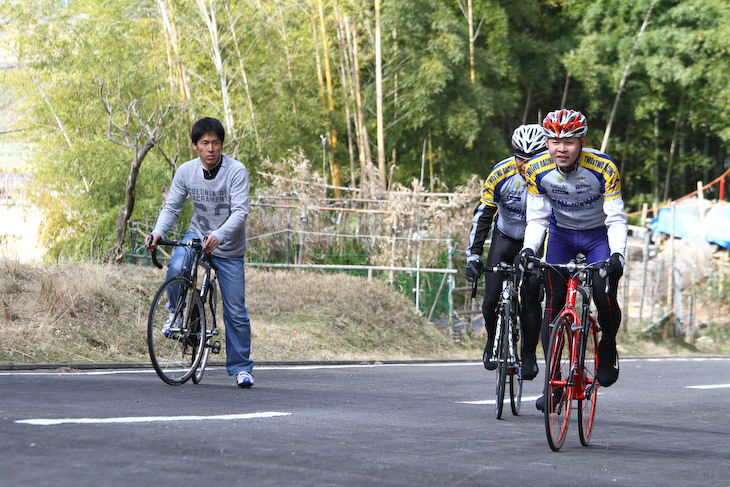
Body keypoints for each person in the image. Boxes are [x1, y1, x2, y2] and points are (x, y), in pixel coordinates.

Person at [518, 109, 628, 410]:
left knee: (604, 296)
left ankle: (607, 348)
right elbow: (537, 218)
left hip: (598, 236)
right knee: (552, 309)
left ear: (581, 141)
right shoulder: (536, 169)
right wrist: (528, 250)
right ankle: (553, 385)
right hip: (561, 236)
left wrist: (617, 255)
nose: (560, 148)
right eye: (553, 141)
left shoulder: (603, 166)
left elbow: (616, 217)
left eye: (568, 141)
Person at [146, 117, 255, 388]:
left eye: (216, 143)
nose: (211, 149)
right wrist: (158, 233)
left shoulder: (236, 171)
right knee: (176, 266)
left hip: (228, 246)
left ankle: (242, 368)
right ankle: (176, 312)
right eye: (205, 143)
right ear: (194, 145)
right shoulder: (186, 171)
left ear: (221, 144)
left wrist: (219, 235)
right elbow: (172, 207)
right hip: (197, 235)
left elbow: (240, 211)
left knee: (235, 310)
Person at [465, 124, 547, 380]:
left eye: (531, 158)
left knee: (531, 298)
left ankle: (529, 355)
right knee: (490, 299)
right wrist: (473, 256)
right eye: (520, 157)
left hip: (535, 243)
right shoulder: (501, 173)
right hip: (505, 237)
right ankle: (492, 339)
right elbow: (483, 215)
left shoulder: (553, 178)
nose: (525, 164)